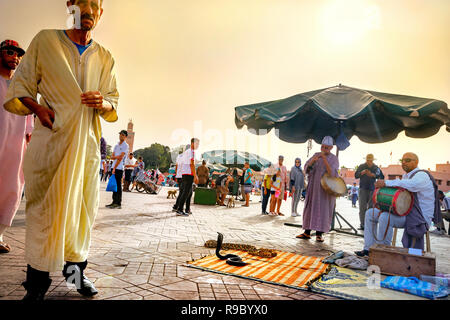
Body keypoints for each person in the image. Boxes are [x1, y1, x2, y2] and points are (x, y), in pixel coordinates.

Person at [3, 0, 119, 301]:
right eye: (83, 3)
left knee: (81, 213)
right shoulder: (46, 40)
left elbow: (112, 103)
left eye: (95, 5)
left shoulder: (104, 56)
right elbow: (21, 86)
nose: (89, 10)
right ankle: (37, 285)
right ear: (71, 6)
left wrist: (102, 103)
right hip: (51, 144)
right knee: (43, 212)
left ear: (101, 12)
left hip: (86, 149)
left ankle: (76, 275)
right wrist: (38, 109)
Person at [355, 153, 442, 257]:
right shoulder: (406, 176)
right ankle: (368, 249)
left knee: (385, 217)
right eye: (402, 160)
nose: (404, 162)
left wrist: (386, 183)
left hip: (419, 218)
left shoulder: (422, 175)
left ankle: (382, 252)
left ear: (416, 162)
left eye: (408, 160)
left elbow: (412, 185)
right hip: (407, 212)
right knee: (370, 213)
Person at [0, 39, 33, 254]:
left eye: (18, 54)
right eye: (10, 52)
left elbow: (30, 118)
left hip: (16, 144)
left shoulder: (22, 88)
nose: (15, 57)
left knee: (12, 188)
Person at [296, 136, 339, 242]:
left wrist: (324, 159)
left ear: (331, 148)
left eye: (326, 148)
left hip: (325, 190)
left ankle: (319, 234)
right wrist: (312, 161)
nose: (324, 149)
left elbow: (332, 173)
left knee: (322, 209)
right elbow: (306, 169)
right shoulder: (315, 155)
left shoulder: (334, 159)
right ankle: (307, 232)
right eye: (323, 147)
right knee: (310, 208)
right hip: (313, 188)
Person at [354, 154, 384, 230]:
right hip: (363, 189)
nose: (369, 162)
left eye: (371, 160)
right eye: (368, 160)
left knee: (371, 208)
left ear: (373, 160)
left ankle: (370, 224)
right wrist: (362, 173)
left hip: (372, 189)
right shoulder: (361, 166)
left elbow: (380, 175)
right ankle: (362, 224)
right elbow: (356, 175)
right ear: (366, 160)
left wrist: (372, 175)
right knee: (362, 207)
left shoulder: (376, 167)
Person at [174, 139, 200, 216]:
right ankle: (180, 209)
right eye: (197, 144)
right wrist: (195, 175)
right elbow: (192, 164)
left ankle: (180, 208)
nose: (198, 145)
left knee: (186, 192)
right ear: (192, 143)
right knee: (186, 193)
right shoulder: (191, 152)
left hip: (184, 174)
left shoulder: (186, 152)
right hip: (189, 174)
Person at [107, 131, 129, 209]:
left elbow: (120, 158)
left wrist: (115, 167)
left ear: (125, 137)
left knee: (118, 186)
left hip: (119, 168)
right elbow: (112, 157)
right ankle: (114, 201)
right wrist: (116, 157)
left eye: (123, 135)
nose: (121, 136)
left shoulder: (125, 146)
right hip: (113, 167)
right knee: (114, 185)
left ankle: (118, 203)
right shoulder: (116, 145)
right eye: (120, 134)